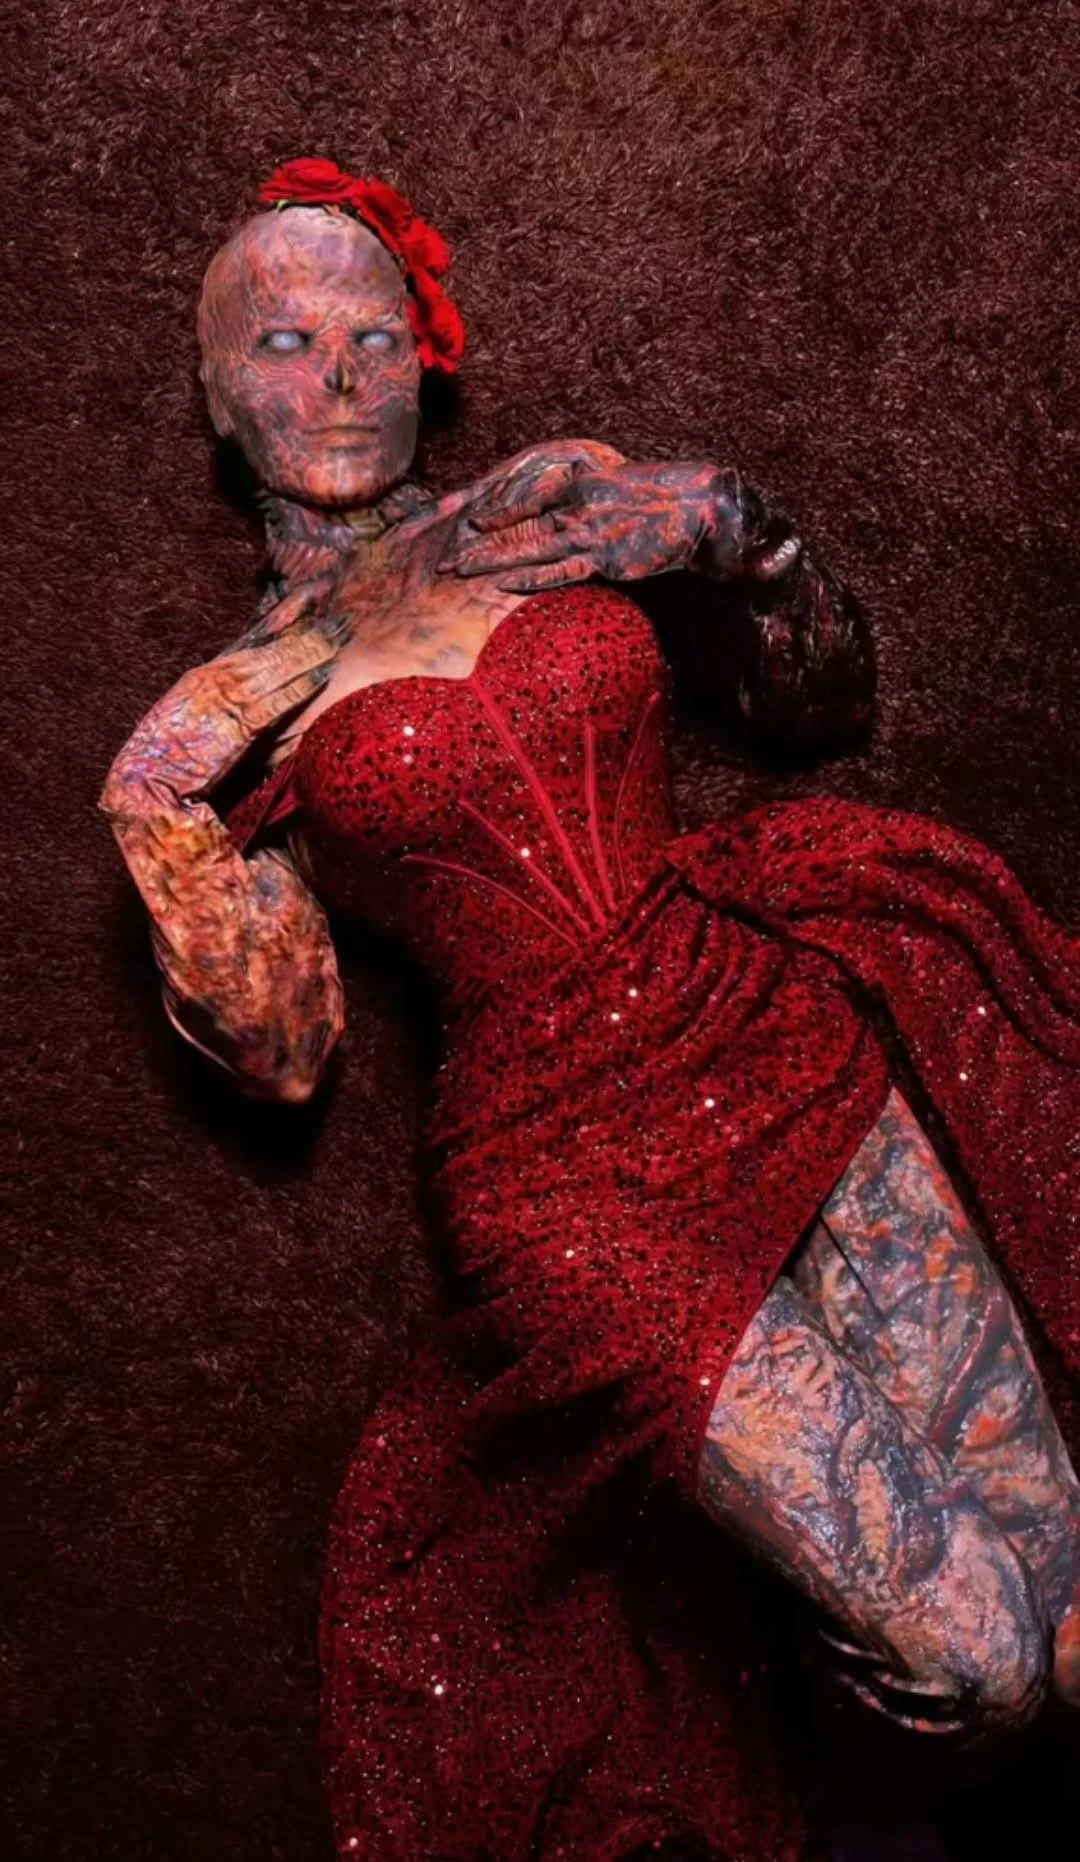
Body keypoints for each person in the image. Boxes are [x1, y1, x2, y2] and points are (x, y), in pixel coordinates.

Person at [99, 158, 1080, 1861]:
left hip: (763, 1021)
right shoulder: (231, 705)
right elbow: (287, 1056)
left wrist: (750, 535)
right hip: (566, 1179)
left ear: (427, 359)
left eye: (374, 333)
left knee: (1062, 1599)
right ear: (216, 395)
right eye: (284, 341)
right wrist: (155, 814)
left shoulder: (546, 501)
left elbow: (820, 704)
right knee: (984, 1661)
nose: (339, 375)